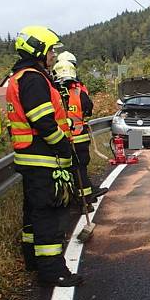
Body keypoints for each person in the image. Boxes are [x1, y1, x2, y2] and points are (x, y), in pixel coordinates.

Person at [6, 25, 82, 287]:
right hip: (42, 158)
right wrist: (63, 147)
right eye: (50, 50)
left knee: (33, 212)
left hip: (29, 158)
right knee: (49, 216)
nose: (52, 56)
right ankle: (52, 272)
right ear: (38, 51)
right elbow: (42, 120)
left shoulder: (20, 76)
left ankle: (32, 260)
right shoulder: (34, 79)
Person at [52, 59, 106, 204]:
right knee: (80, 169)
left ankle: (71, 199)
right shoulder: (79, 92)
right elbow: (88, 110)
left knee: (66, 171)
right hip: (80, 139)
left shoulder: (53, 93)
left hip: (59, 139)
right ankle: (85, 201)